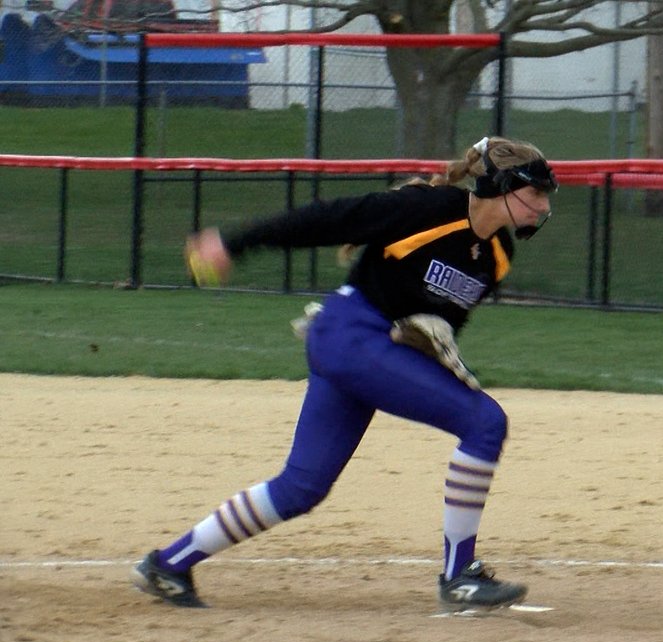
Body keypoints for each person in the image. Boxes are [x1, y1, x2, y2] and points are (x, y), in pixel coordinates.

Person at [130, 136, 558, 611]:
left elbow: (442, 318)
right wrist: (235, 242)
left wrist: (437, 343)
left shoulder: (497, 254)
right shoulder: (428, 209)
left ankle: (167, 565)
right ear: (499, 186)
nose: (542, 204)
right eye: (535, 192)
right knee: (485, 423)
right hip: (350, 335)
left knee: (301, 487)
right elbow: (326, 220)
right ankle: (459, 578)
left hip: (365, 348)